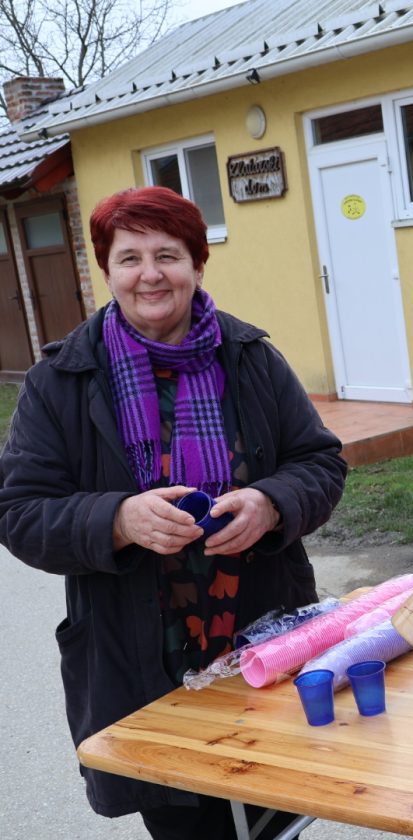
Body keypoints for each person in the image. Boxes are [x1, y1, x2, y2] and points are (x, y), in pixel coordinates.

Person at [0, 187, 347, 839]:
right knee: (188, 824)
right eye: (129, 257)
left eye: (168, 254)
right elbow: (19, 512)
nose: (150, 273)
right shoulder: (62, 382)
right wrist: (117, 520)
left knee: (276, 819)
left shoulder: (249, 359)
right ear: (106, 269)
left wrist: (272, 504)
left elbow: (320, 464)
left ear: (197, 264)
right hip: (141, 667)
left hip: (260, 647)